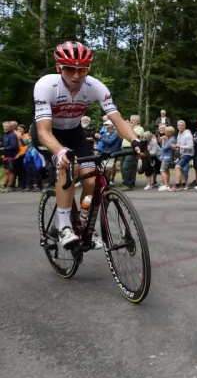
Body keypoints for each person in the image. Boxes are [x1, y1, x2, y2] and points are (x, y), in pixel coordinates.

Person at [31, 41, 141, 250]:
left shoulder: (95, 87)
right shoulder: (46, 85)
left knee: (91, 177)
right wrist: (60, 151)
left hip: (74, 132)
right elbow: (44, 131)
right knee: (68, 165)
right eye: (69, 69)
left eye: (82, 69)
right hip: (47, 133)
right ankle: (64, 227)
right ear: (58, 68)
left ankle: (81, 222)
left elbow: (116, 118)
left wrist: (136, 140)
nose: (76, 75)